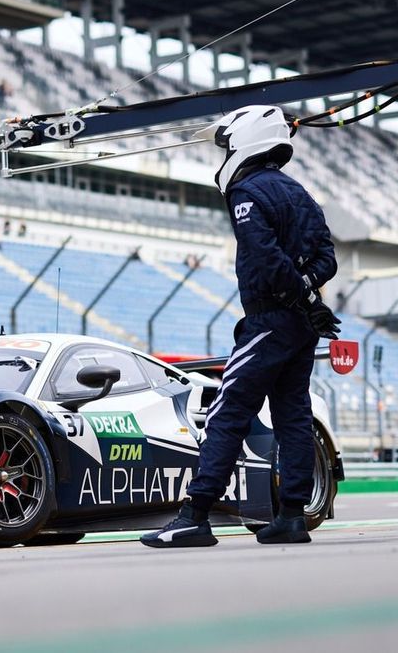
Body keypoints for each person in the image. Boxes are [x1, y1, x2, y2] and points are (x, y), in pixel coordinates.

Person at [141, 105, 340, 548]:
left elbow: (266, 258)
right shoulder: (301, 193)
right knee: (293, 416)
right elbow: (328, 259)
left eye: (227, 144)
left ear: (245, 140)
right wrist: (308, 296)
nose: (224, 154)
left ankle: (195, 514)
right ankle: (291, 515)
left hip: (270, 319)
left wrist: (298, 296)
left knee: (227, 411)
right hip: (300, 323)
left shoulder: (247, 191)